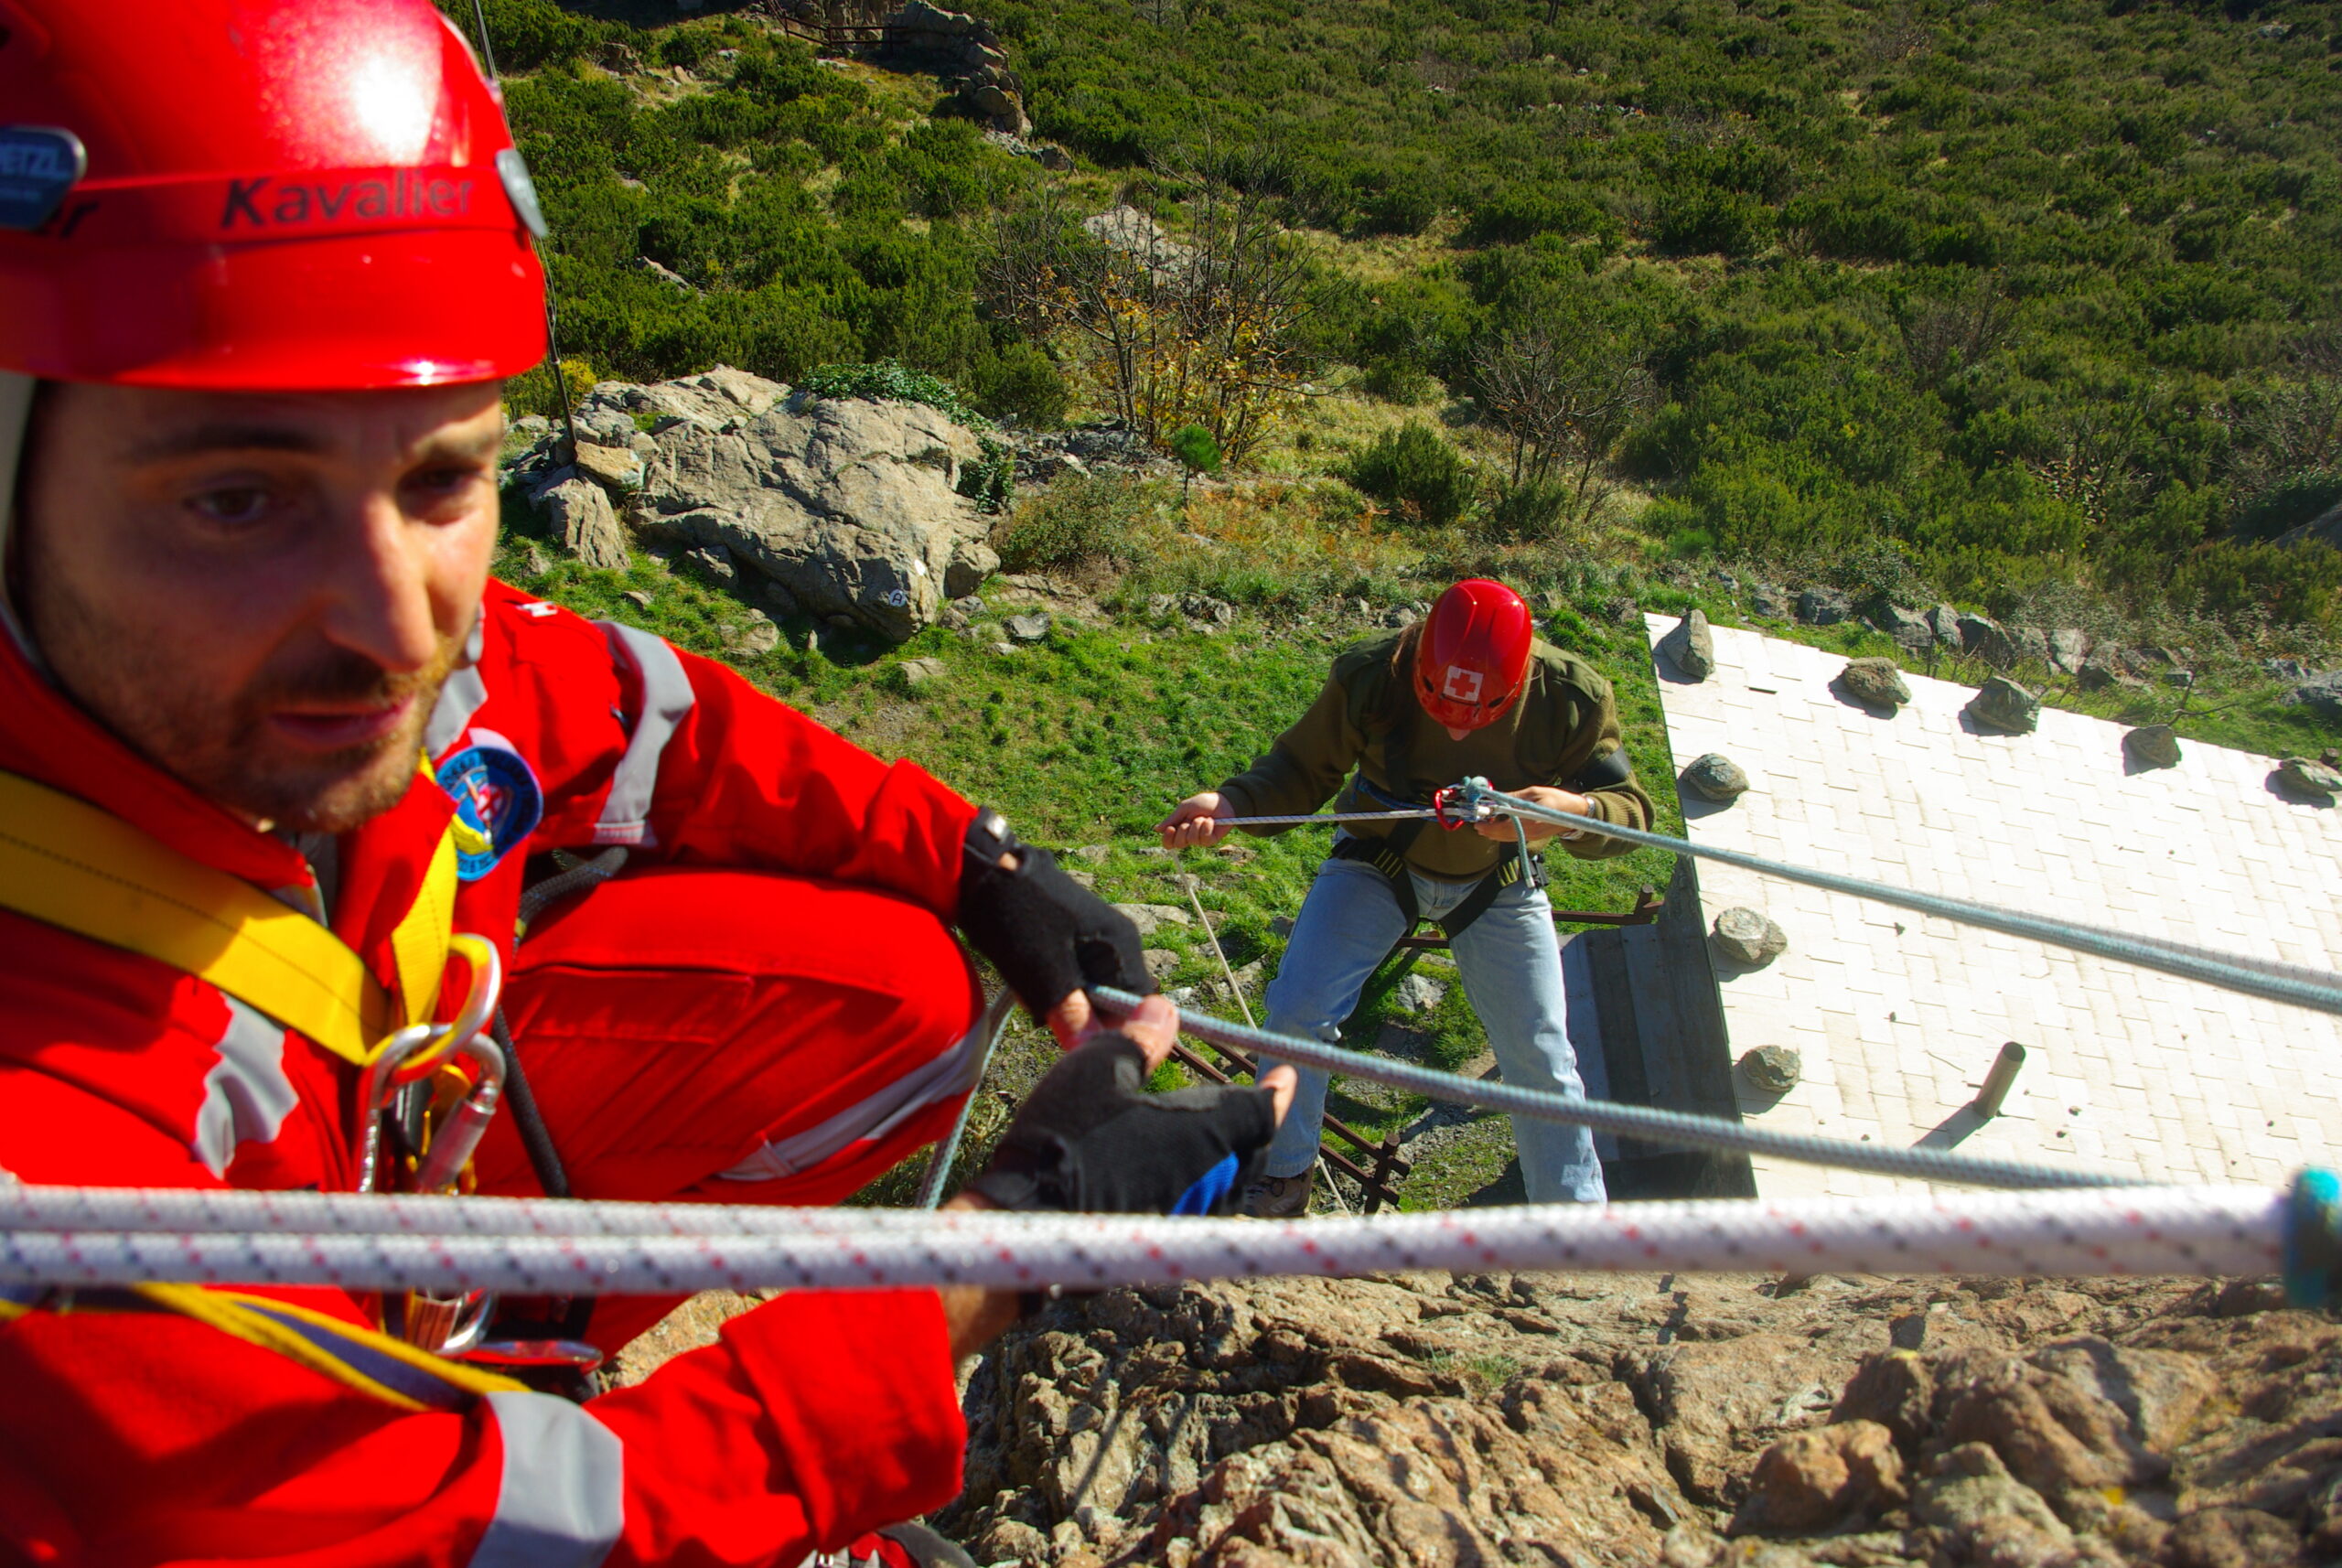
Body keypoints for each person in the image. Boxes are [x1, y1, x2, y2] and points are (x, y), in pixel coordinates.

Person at [0, 5, 1292, 1564]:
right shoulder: (44, 1160)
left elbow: (630, 704)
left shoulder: (298, 689)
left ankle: (486, 1344)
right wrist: (992, 1256)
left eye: (441, 475)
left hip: (366, 1176)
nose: (397, 619)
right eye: (237, 495)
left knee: (901, 983)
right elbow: (436, 1539)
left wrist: (967, 856)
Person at [1160, 577, 1656, 1215]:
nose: (1455, 732)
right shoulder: (1373, 677)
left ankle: (1573, 1219)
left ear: (1518, 683)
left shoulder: (1569, 699)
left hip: (1496, 879)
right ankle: (1281, 1179)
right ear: (1420, 660)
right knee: (1297, 1010)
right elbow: (1300, 770)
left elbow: (1631, 815)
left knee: (1542, 1052)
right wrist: (1232, 804)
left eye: (1480, 714)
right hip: (1380, 860)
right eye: (1441, 704)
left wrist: (1570, 811)